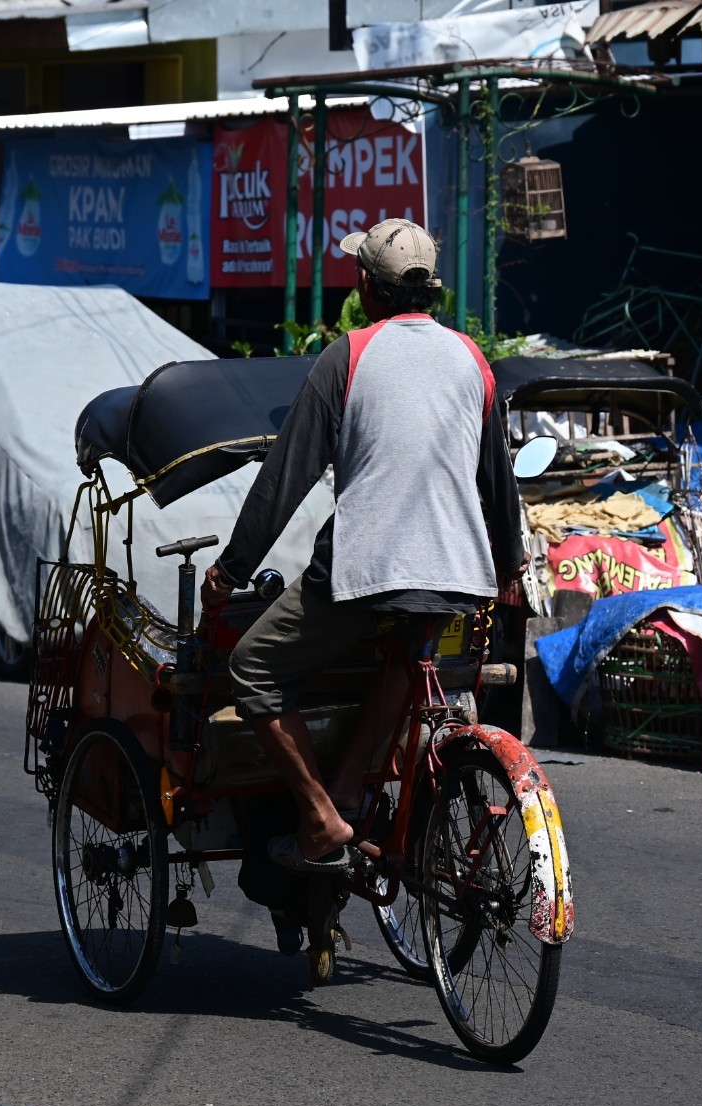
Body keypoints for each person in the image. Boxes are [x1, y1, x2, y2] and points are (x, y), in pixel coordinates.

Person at [202, 217, 524, 875]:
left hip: (365, 569)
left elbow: (284, 480)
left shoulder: (348, 356)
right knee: (406, 655)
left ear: (368, 290)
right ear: (429, 290)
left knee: (254, 668)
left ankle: (320, 814)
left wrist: (231, 570)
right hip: (457, 573)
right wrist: (511, 563)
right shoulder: (473, 361)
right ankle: (349, 791)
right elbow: (499, 479)